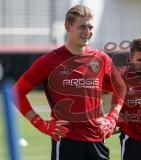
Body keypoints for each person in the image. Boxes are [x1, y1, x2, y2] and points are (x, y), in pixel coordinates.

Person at [12, 5, 126, 160]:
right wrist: (41, 124)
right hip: (66, 140)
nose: (87, 32)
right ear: (67, 26)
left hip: (98, 139)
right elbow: (16, 92)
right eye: (82, 27)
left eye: (90, 27)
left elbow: (121, 88)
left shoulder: (102, 59)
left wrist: (112, 117)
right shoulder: (49, 61)